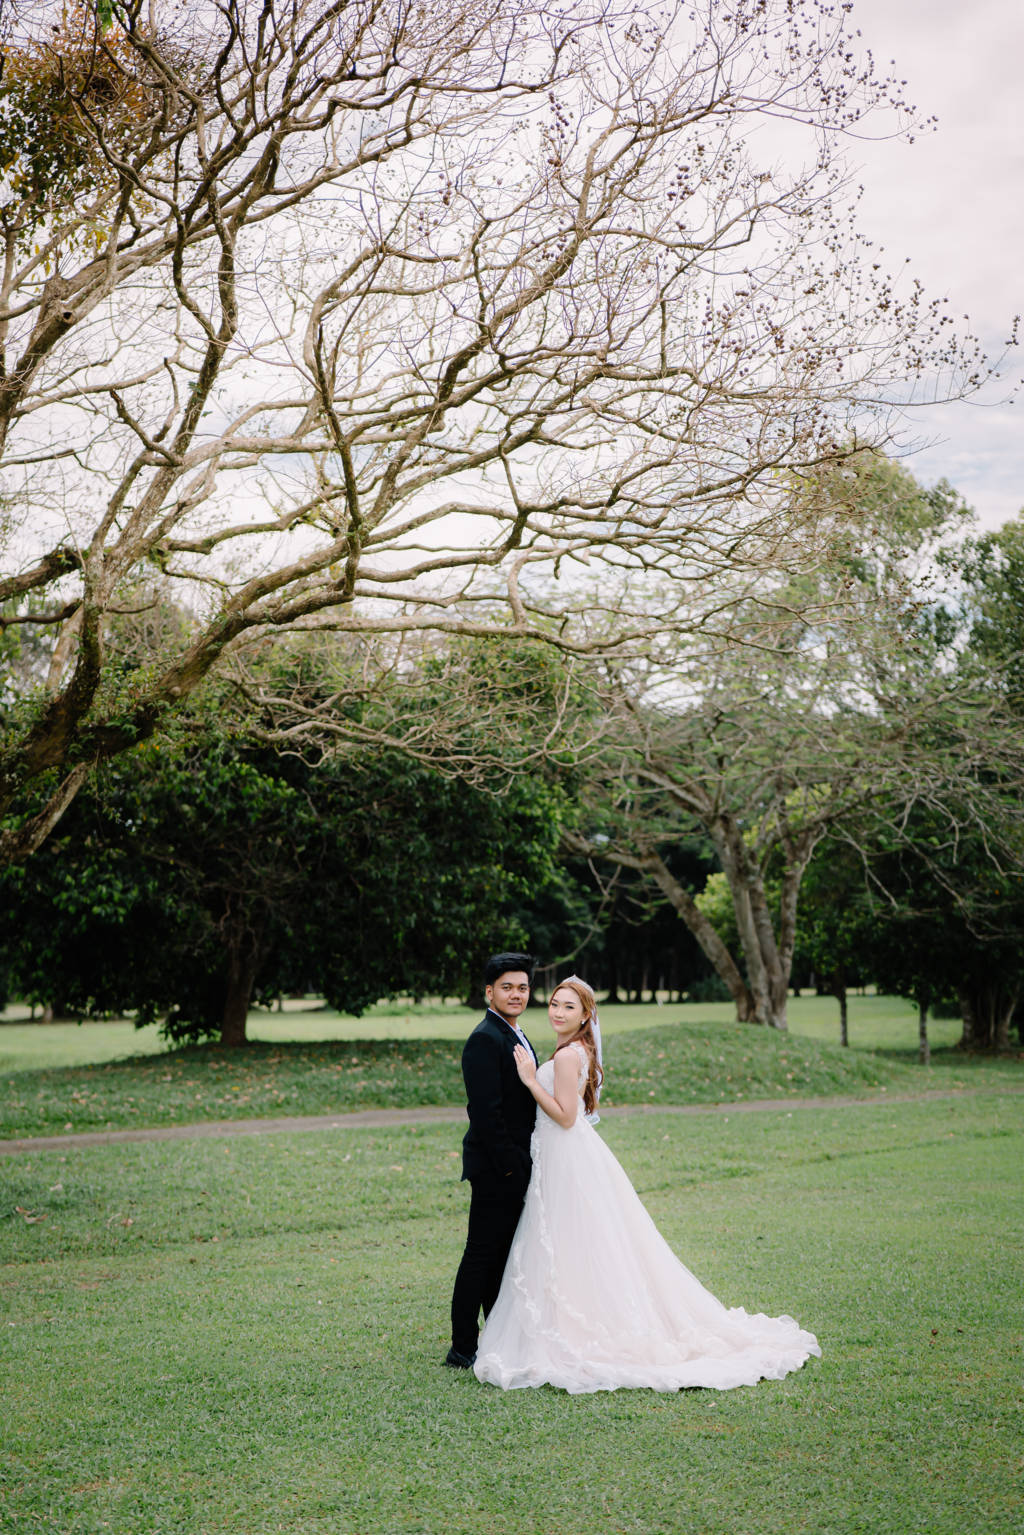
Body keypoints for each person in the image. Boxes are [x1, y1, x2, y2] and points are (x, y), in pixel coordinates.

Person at [474, 975, 821, 1393]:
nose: (557, 1012)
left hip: (564, 1151)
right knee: (577, 1240)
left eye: (569, 1007)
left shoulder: (567, 1056)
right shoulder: (576, 1049)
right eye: (554, 1004)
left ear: (585, 1016)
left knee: (569, 1238)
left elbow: (565, 1116)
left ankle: (576, 1327)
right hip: (566, 1153)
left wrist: (531, 1081)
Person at [446, 952, 539, 1368]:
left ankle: (495, 1337)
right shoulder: (485, 1038)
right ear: (489, 992)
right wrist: (512, 1167)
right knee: (481, 1255)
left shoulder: (514, 1032)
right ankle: (462, 1347)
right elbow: (486, 1114)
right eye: (507, 987)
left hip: (513, 1164)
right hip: (496, 1167)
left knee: (499, 1256)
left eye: (522, 987)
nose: (516, 994)